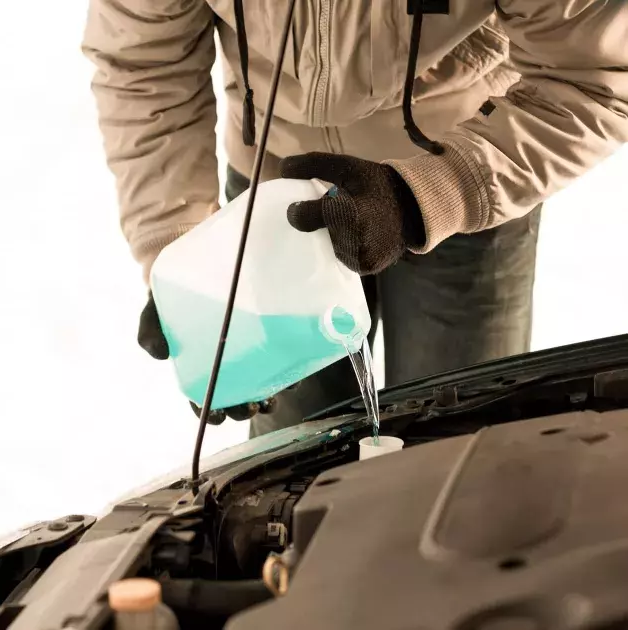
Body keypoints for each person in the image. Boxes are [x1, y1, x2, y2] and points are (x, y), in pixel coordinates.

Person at [82, 1, 628, 437]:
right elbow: (143, 65)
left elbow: (598, 76)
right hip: (274, 201)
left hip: (468, 181)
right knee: (292, 462)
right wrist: (184, 257)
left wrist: (427, 194)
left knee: (460, 448)